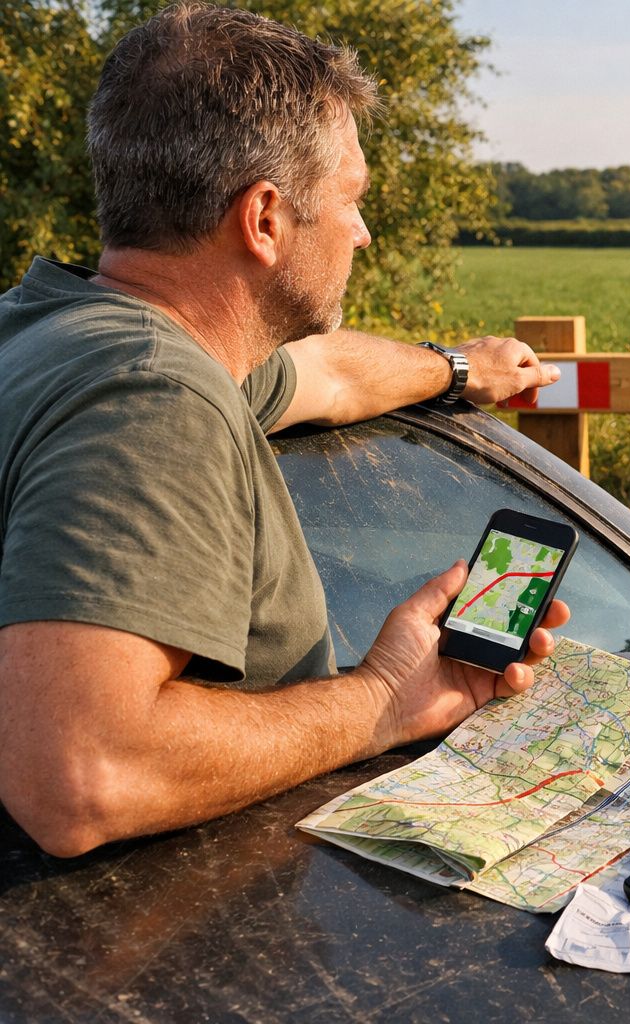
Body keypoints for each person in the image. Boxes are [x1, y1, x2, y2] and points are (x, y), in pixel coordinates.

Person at [0, 3, 570, 857]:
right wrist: (385, 696)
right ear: (265, 218)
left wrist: (460, 369)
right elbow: (79, 777)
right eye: (350, 199)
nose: (362, 231)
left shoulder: (53, 326)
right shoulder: (156, 397)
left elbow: (330, 373)